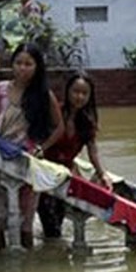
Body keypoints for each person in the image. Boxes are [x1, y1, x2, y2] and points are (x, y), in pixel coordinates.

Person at [0, 42, 63, 247]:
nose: (22, 68)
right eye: (19, 63)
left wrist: (42, 148)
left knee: (26, 222)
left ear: (37, 67)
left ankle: (27, 269)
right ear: (12, 65)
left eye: (28, 64)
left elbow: (59, 128)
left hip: (27, 162)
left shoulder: (43, 95)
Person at [37, 72, 109, 238]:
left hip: (65, 176)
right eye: (76, 91)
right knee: (49, 221)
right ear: (67, 92)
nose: (79, 97)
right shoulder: (55, 114)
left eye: (85, 93)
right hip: (45, 173)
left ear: (90, 97)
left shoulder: (86, 122)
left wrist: (102, 173)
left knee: (57, 223)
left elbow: (93, 150)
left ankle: (53, 251)